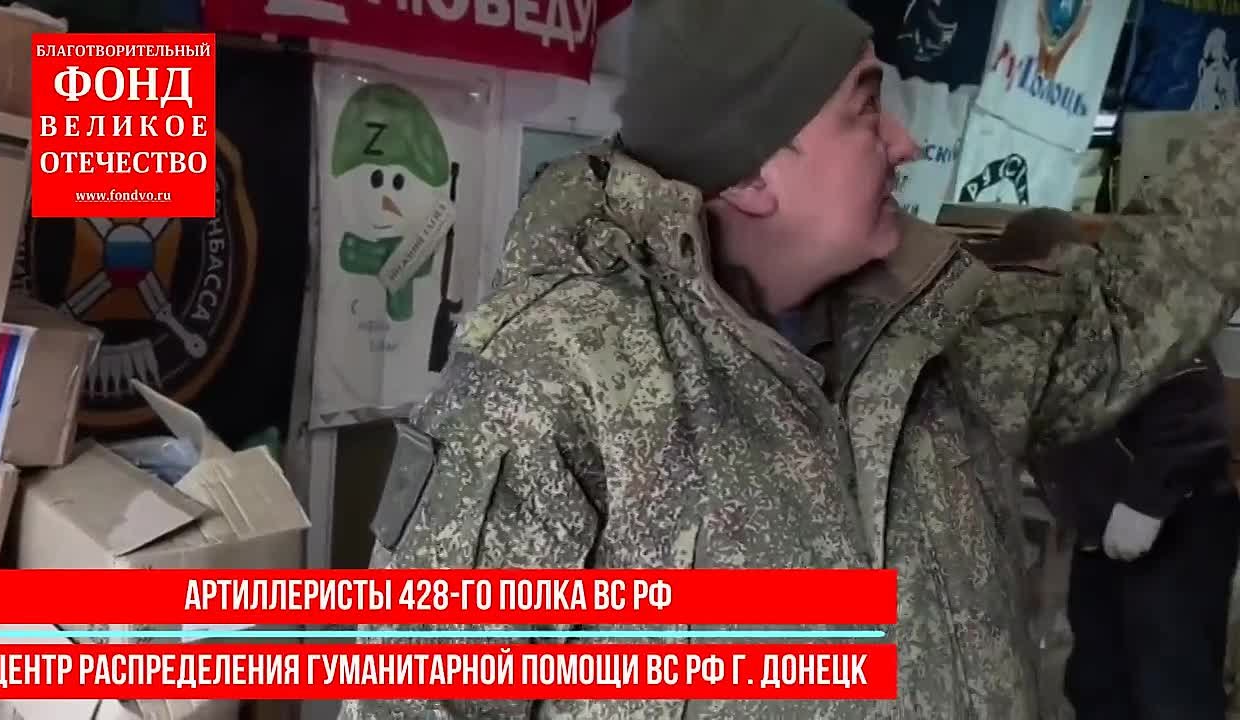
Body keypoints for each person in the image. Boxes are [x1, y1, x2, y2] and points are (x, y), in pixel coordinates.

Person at [339, 1, 1240, 717]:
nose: (904, 143)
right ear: (750, 175)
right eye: (865, 108)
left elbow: (1130, 306)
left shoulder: (938, 327)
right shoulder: (554, 381)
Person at [974, 208, 1240, 719]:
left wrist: (1146, 503)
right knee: (1096, 677)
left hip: (1176, 521)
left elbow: (1193, 408)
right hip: (1102, 531)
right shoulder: (1035, 328)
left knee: (1170, 681)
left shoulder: (1132, 313)